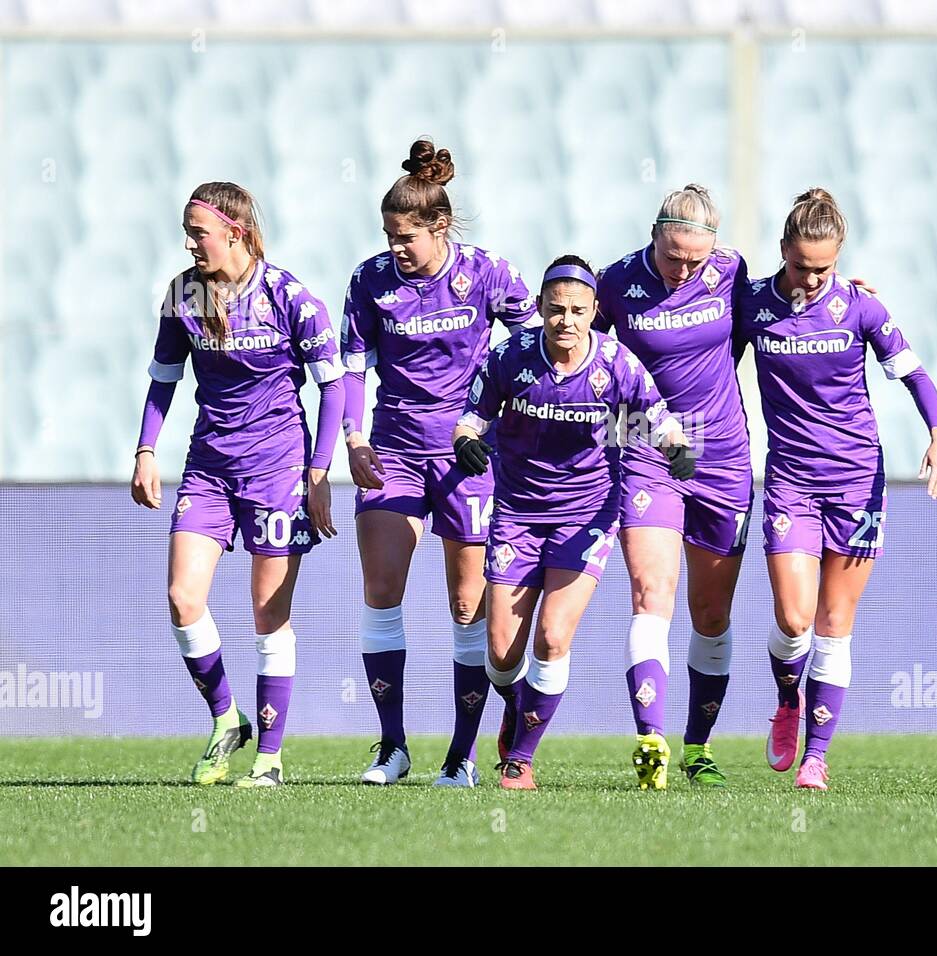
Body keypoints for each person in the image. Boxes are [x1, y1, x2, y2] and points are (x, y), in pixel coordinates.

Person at [735, 188, 937, 791]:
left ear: (840, 258)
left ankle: (817, 756)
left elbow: (913, 372)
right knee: (793, 615)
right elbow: (706, 356)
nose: (810, 279)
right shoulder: (751, 304)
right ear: (782, 251)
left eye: (823, 268)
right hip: (790, 480)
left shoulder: (860, 308)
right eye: (801, 266)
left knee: (834, 619)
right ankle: (787, 699)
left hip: (857, 479)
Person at [131, 181, 344, 787]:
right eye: (187, 232)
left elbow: (333, 386)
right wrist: (147, 448)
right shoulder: (183, 295)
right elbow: (164, 377)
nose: (191, 243)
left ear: (236, 232)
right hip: (208, 466)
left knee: (267, 614)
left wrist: (319, 471)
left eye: (199, 231)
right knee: (182, 597)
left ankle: (270, 761)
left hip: (278, 470)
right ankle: (227, 717)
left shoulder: (290, 297)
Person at [453, 255, 692, 791]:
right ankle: (517, 705)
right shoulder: (509, 359)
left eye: (578, 311)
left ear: (594, 312)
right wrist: (467, 443)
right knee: (499, 654)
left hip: (586, 514)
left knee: (554, 637)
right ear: (539, 308)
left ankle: (520, 759)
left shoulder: (617, 363)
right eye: (556, 310)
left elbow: (660, 419)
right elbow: (469, 421)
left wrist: (678, 450)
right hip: (517, 512)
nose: (566, 320)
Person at [339, 139, 537, 787]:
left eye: (407, 237)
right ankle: (392, 747)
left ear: (439, 227)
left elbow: (534, 342)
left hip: (468, 457)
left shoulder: (485, 273)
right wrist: (352, 436)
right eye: (389, 235)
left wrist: (501, 413)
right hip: (392, 451)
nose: (396, 247)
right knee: (380, 590)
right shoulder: (370, 281)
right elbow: (349, 368)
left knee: (464, 603)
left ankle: (461, 757)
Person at [593, 184, 751, 789]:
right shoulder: (615, 283)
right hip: (644, 448)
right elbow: (580, 345)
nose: (685, 269)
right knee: (650, 592)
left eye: (697, 259)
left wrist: (849, 292)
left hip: (722, 453)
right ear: (654, 234)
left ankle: (698, 746)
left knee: (710, 614)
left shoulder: (731, 272)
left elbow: (773, 314)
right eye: (674, 254)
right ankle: (651, 741)